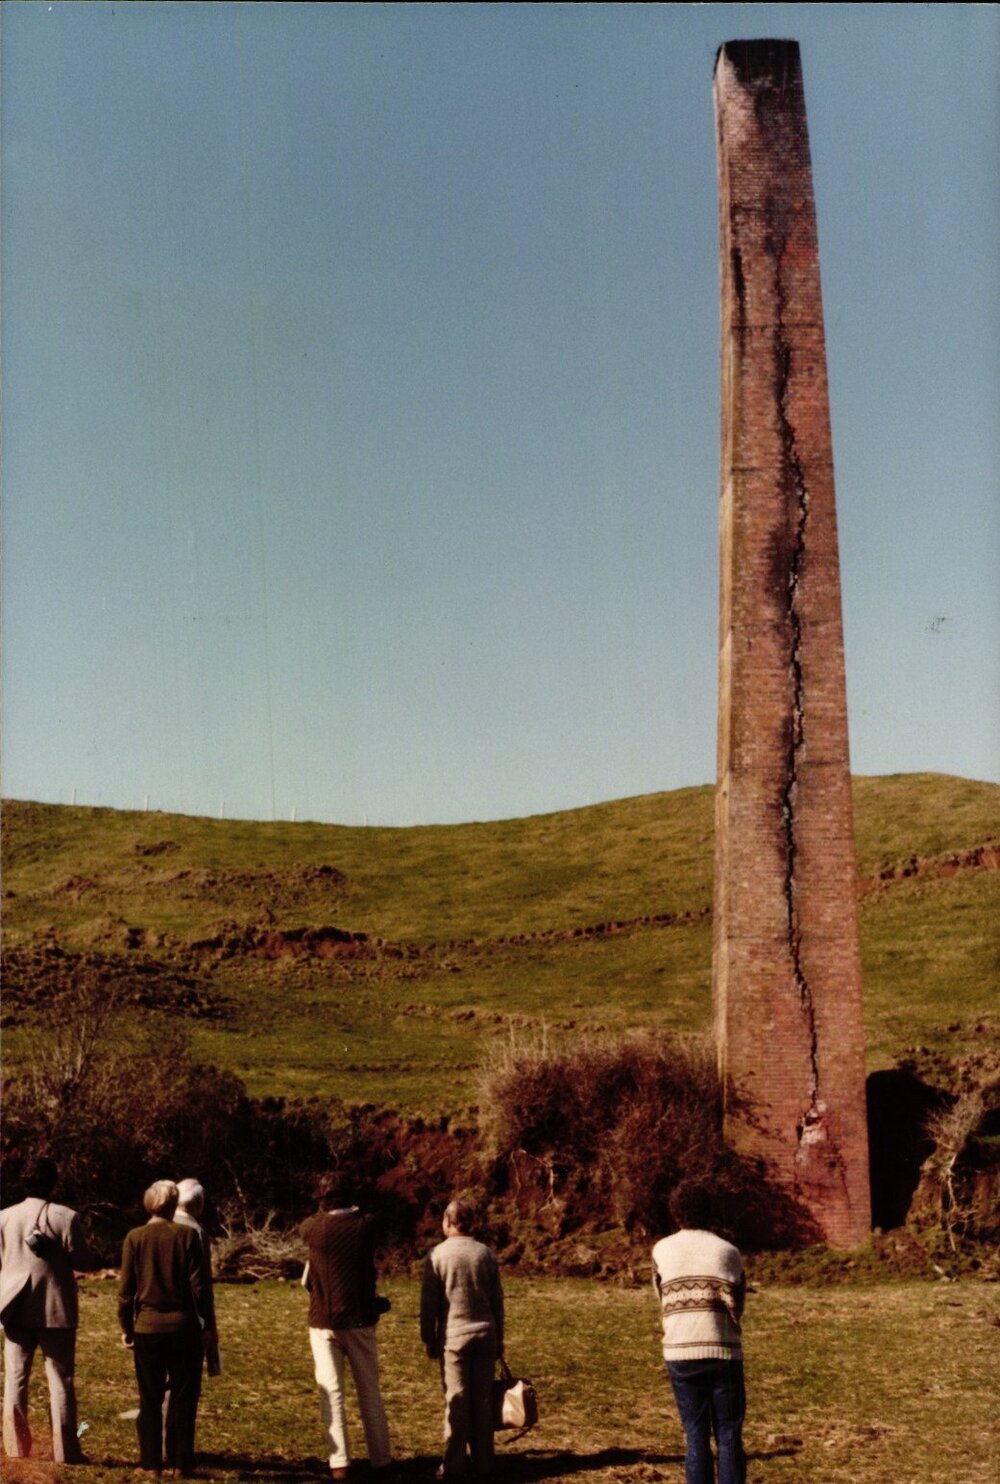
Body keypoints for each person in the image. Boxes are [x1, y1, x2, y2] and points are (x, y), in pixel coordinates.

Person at [651, 1181, 747, 1484]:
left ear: (676, 1212)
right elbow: (738, 1304)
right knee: (729, 1435)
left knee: (695, 1436)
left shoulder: (661, 1250)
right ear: (710, 1212)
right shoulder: (728, 1251)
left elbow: (660, 1296)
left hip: (680, 1351)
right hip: (723, 1351)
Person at [0, 1157, 94, 1463]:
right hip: (55, 1308)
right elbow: (82, 1261)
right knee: (60, 1380)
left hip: (14, 1306)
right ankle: (65, 1451)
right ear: (53, 1182)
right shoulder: (67, 1217)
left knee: (15, 1379)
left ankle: (16, 1450)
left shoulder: (4, 1217)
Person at [299, 1174, 392, 1481]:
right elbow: (372, 1219)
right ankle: (380, 1458)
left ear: (323, 1200)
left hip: (323, 1320)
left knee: (332, 1392)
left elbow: (308, 1225)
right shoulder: (365, 1226)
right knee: (369, 1391)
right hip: (360, 1318)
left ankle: (339, 1462)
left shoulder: (313, 1228)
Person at [118, 1180, 207, 1478]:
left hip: (147, 1327)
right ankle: (182, 1462)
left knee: (150, 1397)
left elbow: (126, 1291)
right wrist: (206, 1323)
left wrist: (126, 1327)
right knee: (184, 1396)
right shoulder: (187, 1235)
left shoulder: (135, 1237)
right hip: (184, 1328)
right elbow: (200, 1288)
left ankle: (151, 1462)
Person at [420, 1198, 504, 1480]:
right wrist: (500, 1338)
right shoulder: (486, 1254)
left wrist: (428, 1337)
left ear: (447, 1221)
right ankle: (484, 1462)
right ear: (472, 1223)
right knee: (481, 1400)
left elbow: (428, 1303)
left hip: (453, 1337)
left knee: (456, 1399)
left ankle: (454, 1463)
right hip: (485, 1333)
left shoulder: (437, 1255)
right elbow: (497, 1301)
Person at [163, 1179, 219, 1470]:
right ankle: (179, 1452)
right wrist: (209, 1326)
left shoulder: (155, 1226)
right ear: (197, 1203)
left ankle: (162, 1447)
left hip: (154, 1322)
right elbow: (202, 1288)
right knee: (185, 1390)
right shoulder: (196, 1233)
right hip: (187, 1322)